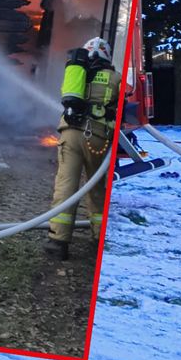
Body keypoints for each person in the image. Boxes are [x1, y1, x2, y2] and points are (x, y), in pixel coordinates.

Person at [45, 37, 119, 260]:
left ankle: (57, 242)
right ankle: (98, 239)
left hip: (70, 134)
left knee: (66, 186)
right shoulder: (115, 78)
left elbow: (66, 98)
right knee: (97, 189)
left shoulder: (76, 73)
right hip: (97, 138)